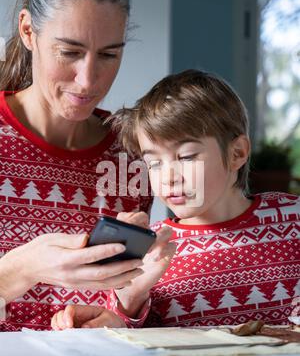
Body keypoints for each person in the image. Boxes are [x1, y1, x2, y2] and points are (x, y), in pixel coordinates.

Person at [0, 0, 175, 331]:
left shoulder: (132, 157)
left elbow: (129, 314)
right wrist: (22, 267)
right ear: (29, 31)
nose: (88, 79)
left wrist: (124, 314)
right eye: (70, 52)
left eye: (110, 54)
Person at [52, 69, 300, 330]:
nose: (169, 177)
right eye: (154, 162)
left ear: (237, 153)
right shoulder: (152, 251)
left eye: (187, 157)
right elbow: (132, 335)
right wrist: (130, 298)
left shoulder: (292, 217)